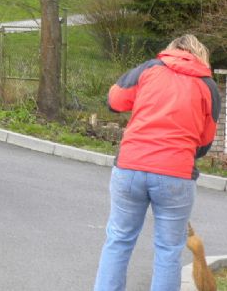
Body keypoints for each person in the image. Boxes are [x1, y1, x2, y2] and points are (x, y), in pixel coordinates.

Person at [93, 34, 220, 291]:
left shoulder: (149, 69)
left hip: (130, 167)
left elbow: (114, 101)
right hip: (176, 176)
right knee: (168, 250)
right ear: (201, 55)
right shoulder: (208, 86)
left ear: (171, 50)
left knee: (118, 239)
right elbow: (205, 142)